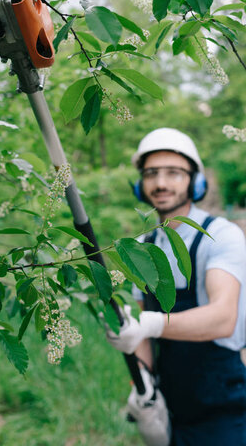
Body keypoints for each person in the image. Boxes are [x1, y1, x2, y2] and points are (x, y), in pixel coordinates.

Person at [106, 127, 246, 446]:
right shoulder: (141, 246)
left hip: (225, 402)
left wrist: (151, 324)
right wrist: (142, 381)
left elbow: (224, 318)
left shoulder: (220, 235)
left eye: (174, 173)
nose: (161, 183)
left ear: (195, 181)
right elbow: (141, 319)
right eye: (151, 173)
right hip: (172, 398)